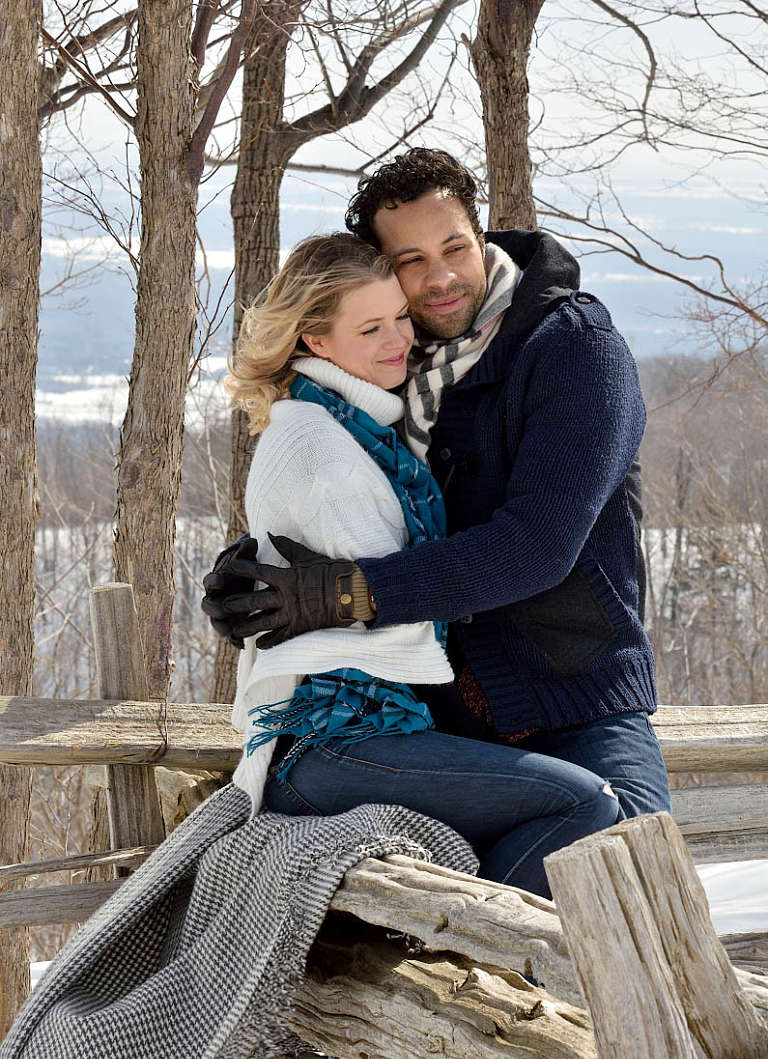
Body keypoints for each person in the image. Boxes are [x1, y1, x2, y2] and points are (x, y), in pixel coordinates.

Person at [203, 148, 671, 829]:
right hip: (444, 716)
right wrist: (257, 573)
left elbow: (535, 548)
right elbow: (362, 492)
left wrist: (345, 592)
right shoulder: (400, 360)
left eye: (454, 245)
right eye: (410, 261)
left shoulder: (573, 350)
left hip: (576, 699)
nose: (442, 276)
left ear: (480, 236)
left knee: (635, 870)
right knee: (461, 913)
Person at [221, 230, 620, 902]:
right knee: (587, 805)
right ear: (317, 341)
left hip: (357, 734)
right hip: (335, 738)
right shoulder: (326, 449)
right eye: (370, 327)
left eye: (400, 317)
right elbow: (362, 610)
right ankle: (465, 957)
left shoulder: (355, 426)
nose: (397, 340)